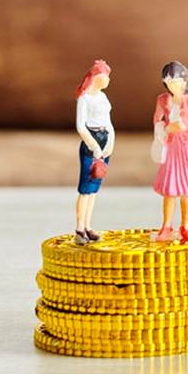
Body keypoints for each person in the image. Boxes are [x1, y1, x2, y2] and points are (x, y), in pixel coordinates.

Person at [151, 61, 188, 244]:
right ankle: (166, 226)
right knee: (170, 190)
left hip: (187, 148)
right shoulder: (162, 100)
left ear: (185, 81)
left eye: (176, 82)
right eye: (169, 83)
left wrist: (186, 126)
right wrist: (163, 129)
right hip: (170, 148)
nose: (172, 87)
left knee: (187, 191)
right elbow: (156, 120)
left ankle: (186, 226)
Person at [74, 59, 114, 245]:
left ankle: (88, 226)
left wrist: (110, 142)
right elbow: (81, 127)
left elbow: (108, 122)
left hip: (105, 140)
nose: (107, 79)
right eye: (104, 75)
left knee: (94, 190)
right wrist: (95, 147)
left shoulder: (103, 97)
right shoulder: (84, 99)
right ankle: (79, 228)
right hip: (91, 141)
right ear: (96, 77)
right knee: (85, 189)